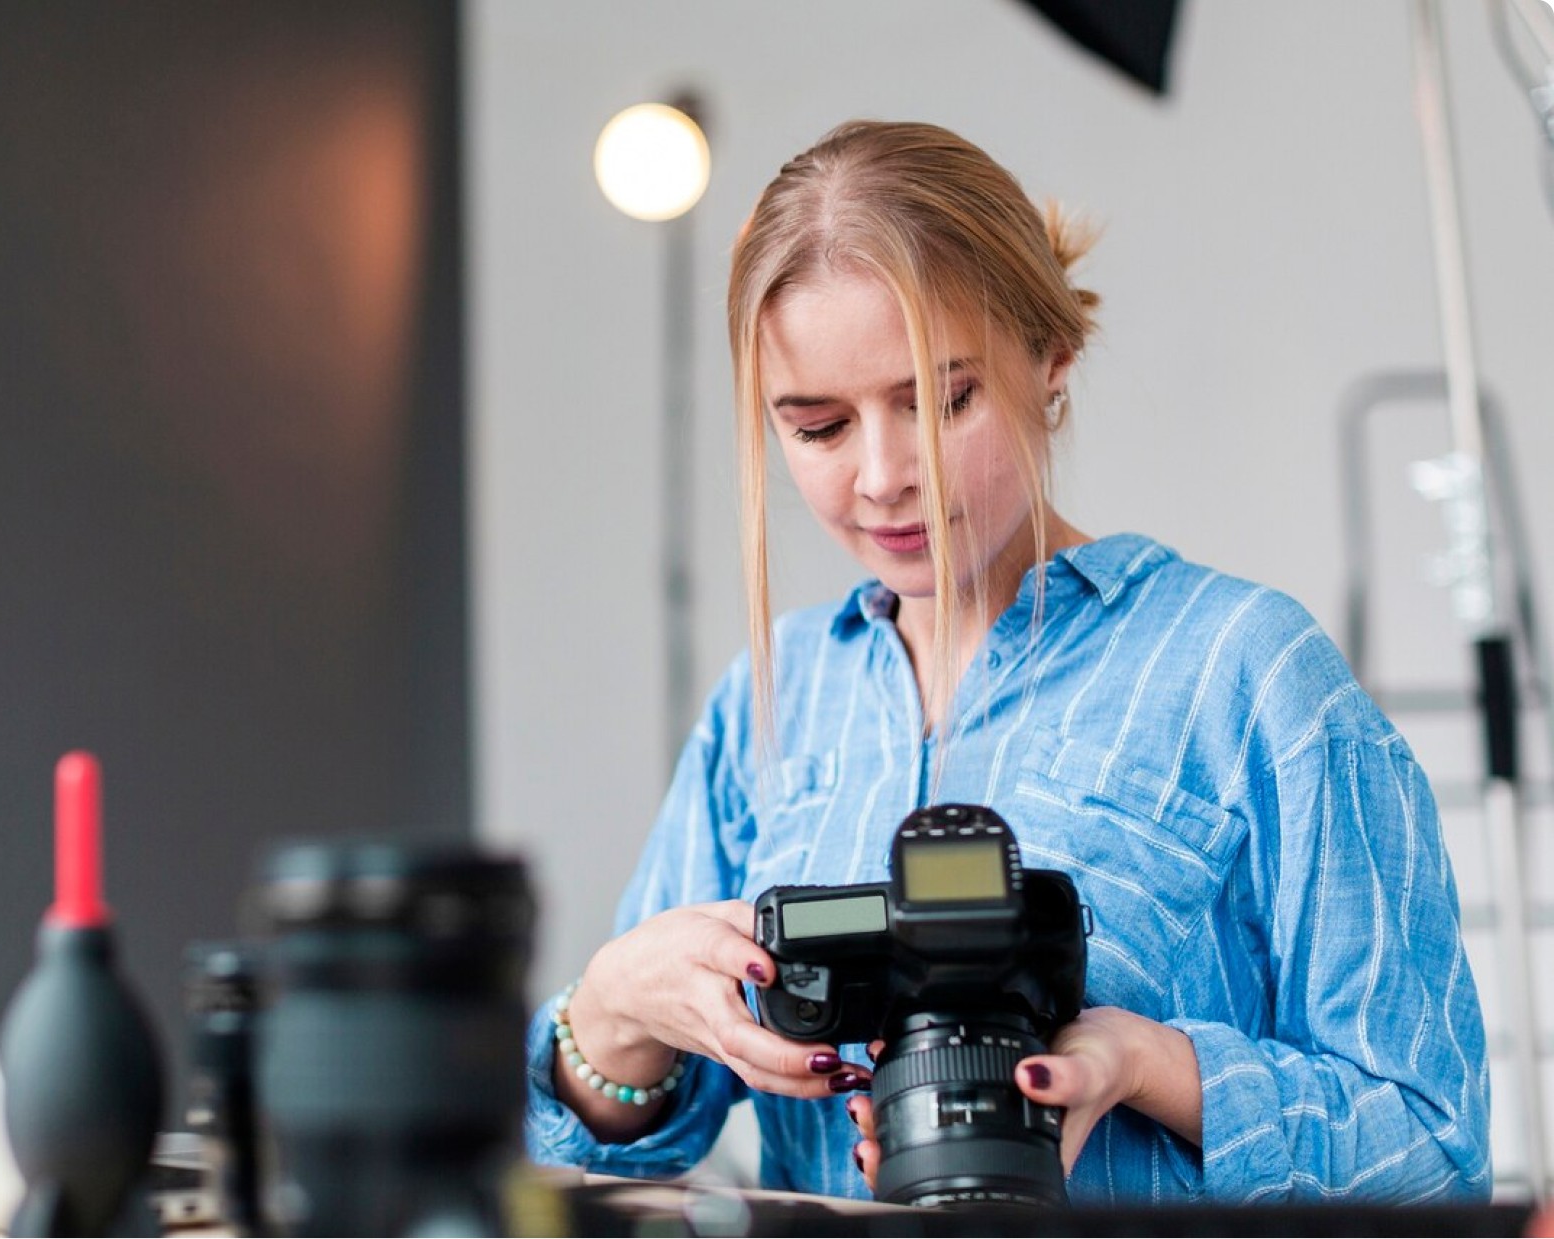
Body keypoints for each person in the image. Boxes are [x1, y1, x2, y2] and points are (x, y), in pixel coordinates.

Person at [523, 120, 1491, 1205]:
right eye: (818, 427)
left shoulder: (1245, 672)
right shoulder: (771, 700)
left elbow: (1434, 1156)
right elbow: (596, 1156)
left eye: (940, 403)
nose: (883, 477)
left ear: (1049, 356)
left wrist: (1144, 1065)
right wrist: (606, 1010)